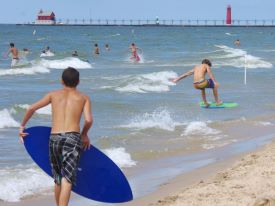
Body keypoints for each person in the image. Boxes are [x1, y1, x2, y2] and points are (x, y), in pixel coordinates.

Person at [19, 67, 93, 206]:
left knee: (58, 177)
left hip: (54, 138)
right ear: (78, 81)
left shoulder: (53, 94)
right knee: (68, 178)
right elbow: (88, 120)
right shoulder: (83, 98)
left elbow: (31, 108)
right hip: (72, 137)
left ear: (61, 81)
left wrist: (22, 126)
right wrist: (84, 134)